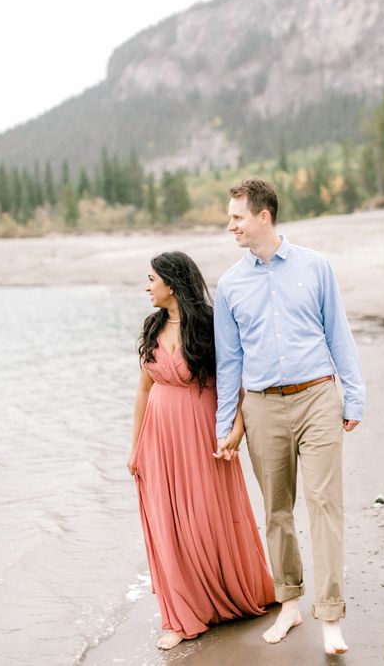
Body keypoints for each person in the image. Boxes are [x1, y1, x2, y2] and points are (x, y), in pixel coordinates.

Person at [213, 179, 365, 655]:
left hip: (318, 397)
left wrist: (353, 396)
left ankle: (331, 616)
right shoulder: (229, 285)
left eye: (237, 216)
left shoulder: (315, 267)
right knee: (277, 510)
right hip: (261, 407)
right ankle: (289, 602)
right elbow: (228, 364)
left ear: (263, 216)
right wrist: (226, 425)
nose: (230, 225)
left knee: (324, 507)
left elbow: (338, 333)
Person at [127, 251, 274, 650]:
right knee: (167, 522)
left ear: (172, 284)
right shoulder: (153, 326)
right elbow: (144, 390)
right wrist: (136, 445)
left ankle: (223, 595)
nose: (147, 286)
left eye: (151, 279)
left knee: (207, 517)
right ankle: (179, 615)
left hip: (202, 434)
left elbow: (238, 389)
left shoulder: (210, 326)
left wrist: (234, 435)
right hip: (159, 437)